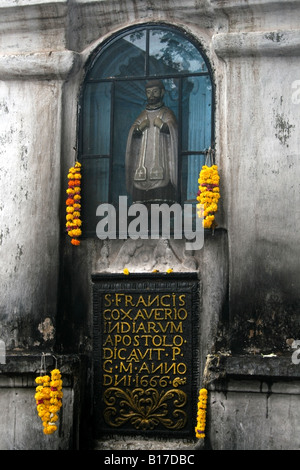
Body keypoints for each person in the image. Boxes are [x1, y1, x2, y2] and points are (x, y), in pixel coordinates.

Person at [125, 80, 178, 204]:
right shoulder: (142, 115)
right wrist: (138, 128)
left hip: (161, 160)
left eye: (155, 92)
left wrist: (164, 126)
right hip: (142, 162)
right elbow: (133, 134)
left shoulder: (166, 113)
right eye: (149, 92)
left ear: (162, 92)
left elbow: (173, 129)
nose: (152, 95)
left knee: (162, 194)